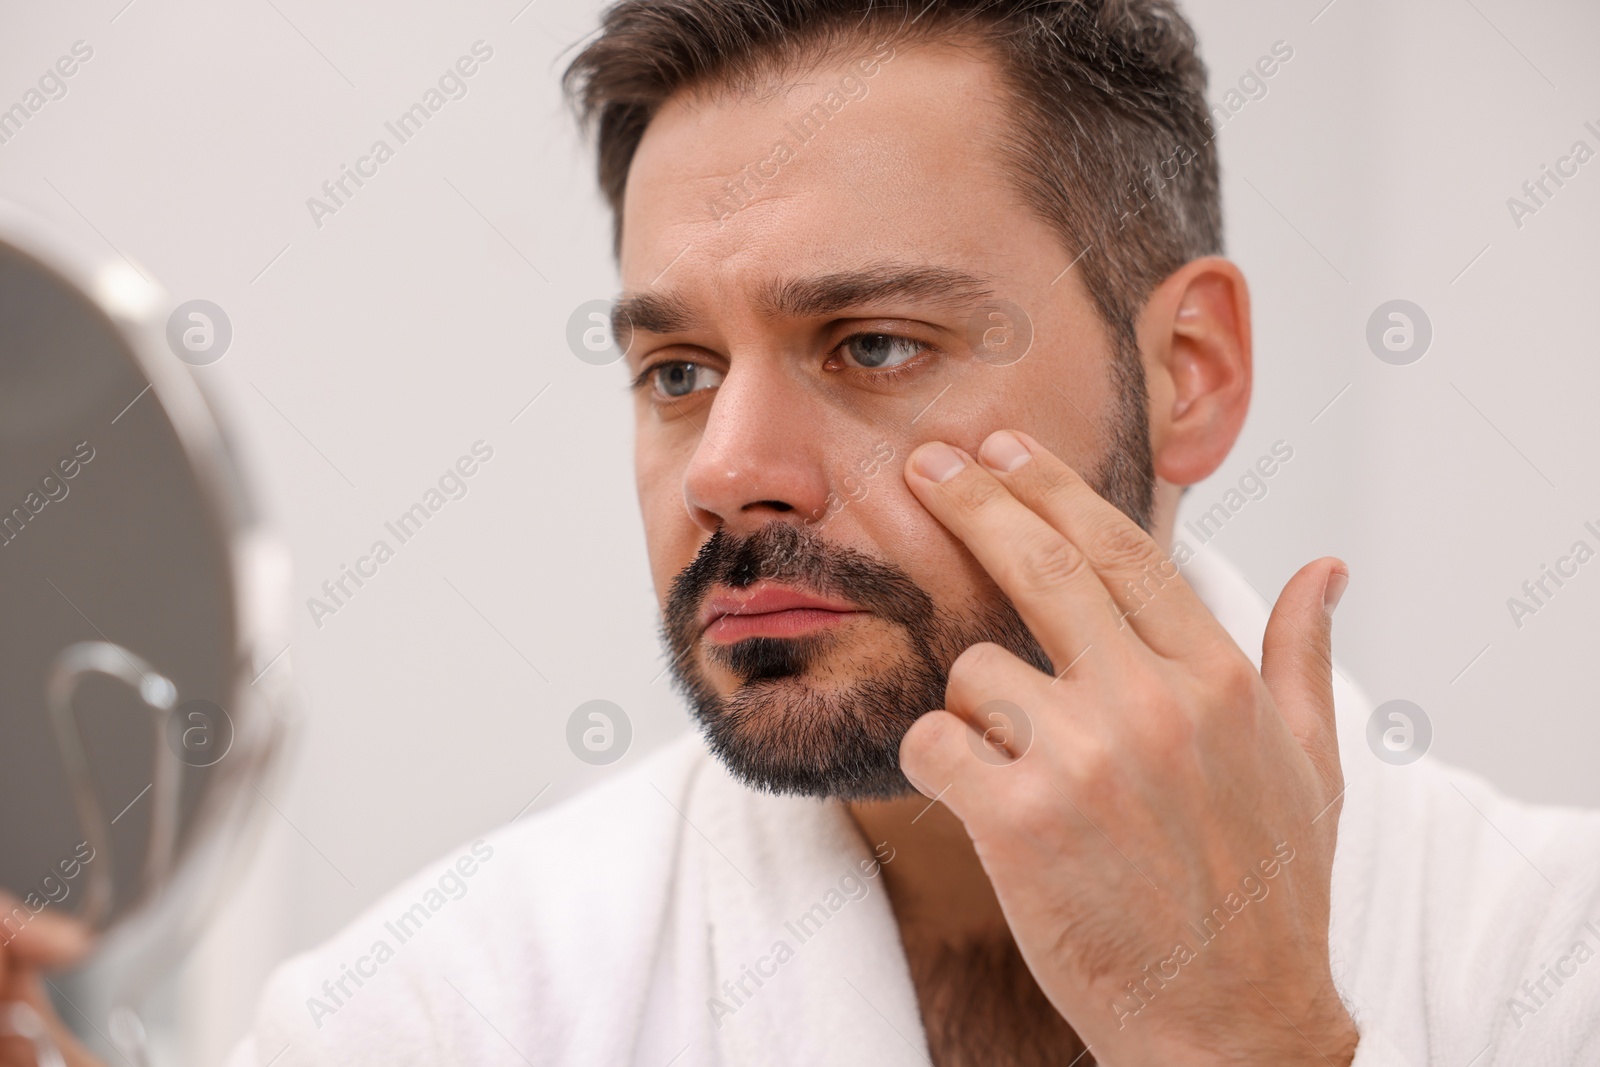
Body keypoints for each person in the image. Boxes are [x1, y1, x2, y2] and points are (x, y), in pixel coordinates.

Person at [8, 1, 1600, 1064]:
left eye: (873, 345)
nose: (729, 470)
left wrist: (1249, 1041)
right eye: (677, 371)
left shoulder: (1550, 957)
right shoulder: (434, 1013)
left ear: (1187, 375)